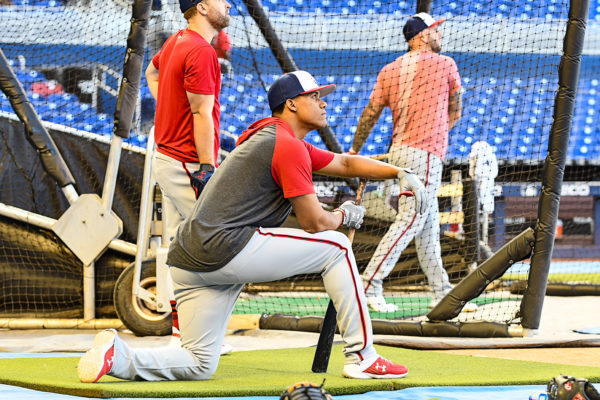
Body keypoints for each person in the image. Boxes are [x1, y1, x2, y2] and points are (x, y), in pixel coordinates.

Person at [77, 71, 426, 383]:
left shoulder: (276, 139)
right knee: (336, 248)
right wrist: (344, 216)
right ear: (291, 104)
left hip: (188, 261)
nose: (323, 103)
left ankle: (117, 358)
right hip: (223, 248)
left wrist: (399, 172)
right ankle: (363, 358)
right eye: (315, 96)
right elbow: (315, 222)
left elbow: (347, 163)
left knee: (199, 364)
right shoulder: (284, 145)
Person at [348, 12, 477, 313]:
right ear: (421, 35)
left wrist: (355, 148)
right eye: (435, 30)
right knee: (411, 219)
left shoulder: (390, 69)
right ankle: (369, 285)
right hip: (427, 154)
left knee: (428, 228)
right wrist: (438, 132)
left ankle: (442, 292)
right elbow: (456, 109)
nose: (440, 35)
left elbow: (370, 112)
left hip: (400, 153)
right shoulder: (446, 64)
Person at [144, 0, 231, 343]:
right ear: (202, 7)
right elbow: (201, 114)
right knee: (218, 244)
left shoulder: (176, 40)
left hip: (170, 158)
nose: (227, 3)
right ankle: (205, 334)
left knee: (181, 247)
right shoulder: (199, 50)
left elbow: (152, 74)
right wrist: (207, 166)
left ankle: (186, 332)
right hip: (187, 161)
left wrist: (168, 103)